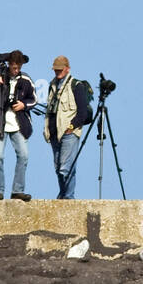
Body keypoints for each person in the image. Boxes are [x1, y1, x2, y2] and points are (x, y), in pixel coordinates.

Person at [43, 55, 94, 200]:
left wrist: (72, 126)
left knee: (66, 168)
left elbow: (82, 110)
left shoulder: (76, 85)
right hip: (54, 132)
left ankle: (68, 196)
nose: (57, 72)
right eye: (55, 70)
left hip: (69, 131)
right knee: (58, 168)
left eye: (60, 70)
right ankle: (64, 194)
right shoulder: (52, 85)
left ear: (67, 69)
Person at [0, 51, 35, 201]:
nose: (15, 70)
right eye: (13, 67)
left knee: (24, 155)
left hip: (19, 124)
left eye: (18, 67)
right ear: (9, 65)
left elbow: (34, 99)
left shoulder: (26, 79)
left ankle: (17, 190)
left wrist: (24, 105)